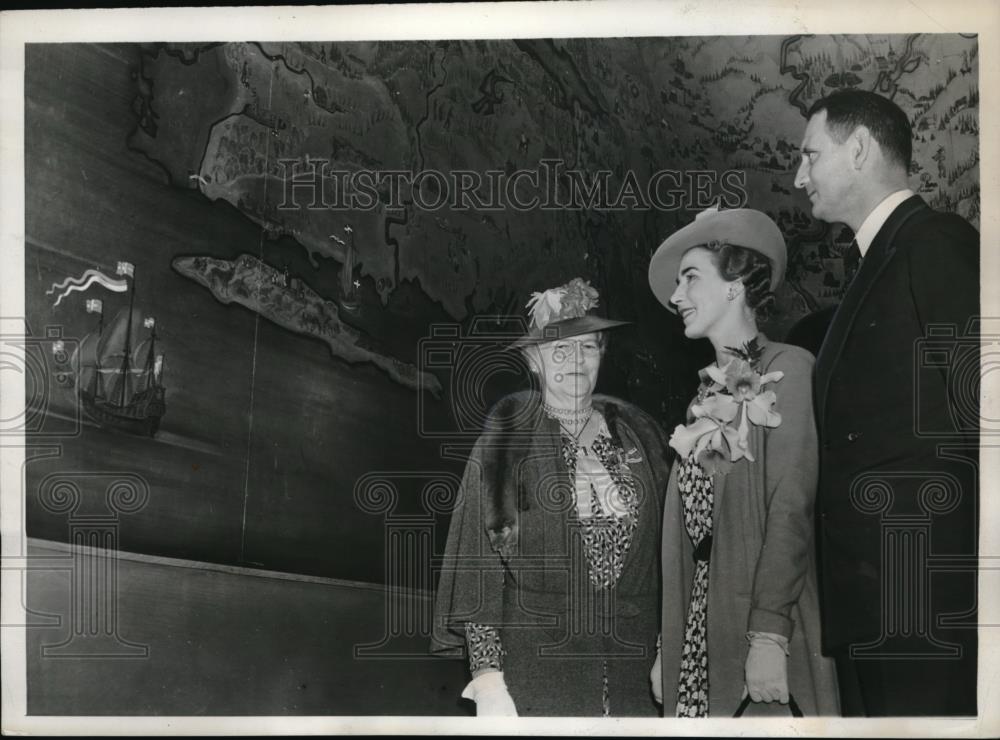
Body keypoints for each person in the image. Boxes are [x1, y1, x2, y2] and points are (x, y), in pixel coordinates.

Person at [794, 89, 979, 716]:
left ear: (859, 150)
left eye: (809, 155)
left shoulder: (935, 242)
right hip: (874, 604)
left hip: (921, 599)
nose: (799, 177)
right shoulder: (876, 263)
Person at [430, 277, 671, 717]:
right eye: (559, 349)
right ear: (533, 361)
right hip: (538, 672)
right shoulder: (509, 435)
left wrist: (666, 650)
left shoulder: (639, 434)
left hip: (635, 676)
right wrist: (487, 680)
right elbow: (478, 559)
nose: (575, 362)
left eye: (589, 348)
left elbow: (667, 559)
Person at [647, 205, 839, 717]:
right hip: (701, 636)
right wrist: (671, 644)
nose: (676, 296)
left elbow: (790, 508)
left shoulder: (788, 369)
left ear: (735, 285)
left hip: (763, 637)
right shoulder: (700, 402)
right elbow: (696, 536)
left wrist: (771, 635)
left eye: (690, 278)